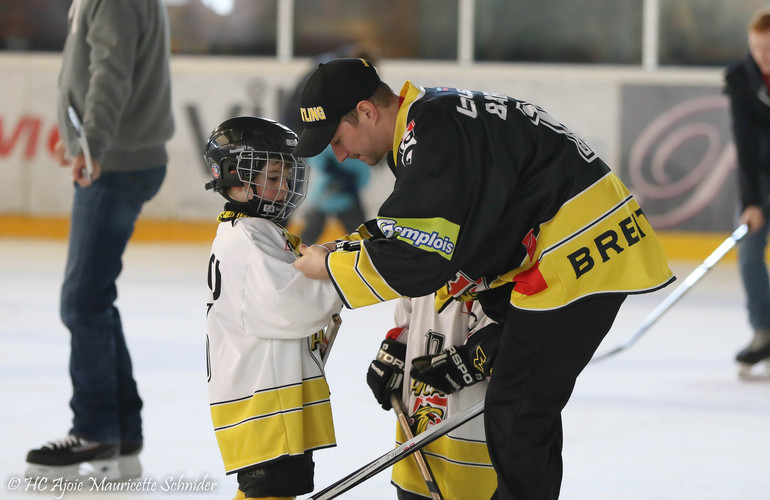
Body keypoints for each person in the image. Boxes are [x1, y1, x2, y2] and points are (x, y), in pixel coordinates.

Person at [291, 58, 675, 499]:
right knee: (524, 407)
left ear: (366, 111)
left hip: (579, 255)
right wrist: (344, 251)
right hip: (570, 249)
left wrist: (330, 266)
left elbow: (422, 255)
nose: (340, 155)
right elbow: (427, 232)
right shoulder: (429, 121)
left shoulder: (433, 132)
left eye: (338, 140)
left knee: (518, 411)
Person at [26, 0, 174, 479]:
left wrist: (92, 144)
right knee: (94, 297)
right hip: (119, 156)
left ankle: (94, 429)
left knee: (82, 300)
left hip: (116, 163)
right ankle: (121, 429)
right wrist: (85, 138)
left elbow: (111, 72)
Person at [203, 116, 343, 500]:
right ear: (236, 175)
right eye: (274, 176)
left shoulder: (253, 230)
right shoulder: (247, 239)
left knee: (274, 493)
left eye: (287, 177)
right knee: (268, 493)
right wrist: (343, 275)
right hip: (261, 397)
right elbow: (292, 307)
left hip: (269, 390)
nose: (284, 188)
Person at [367, 294, 498, 500]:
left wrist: (484, 351)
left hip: (477, 443)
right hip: (417, 431)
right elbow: (409, 297)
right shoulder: (420, 262)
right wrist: (399, 345)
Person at [724, 7, 770, 379]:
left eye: (769, 50)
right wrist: (752, 202)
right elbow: (746, 144)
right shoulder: (740, 78)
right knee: (749, 252)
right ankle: (764, 331)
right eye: (757, 48)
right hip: (761, 177)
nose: (762, 57)